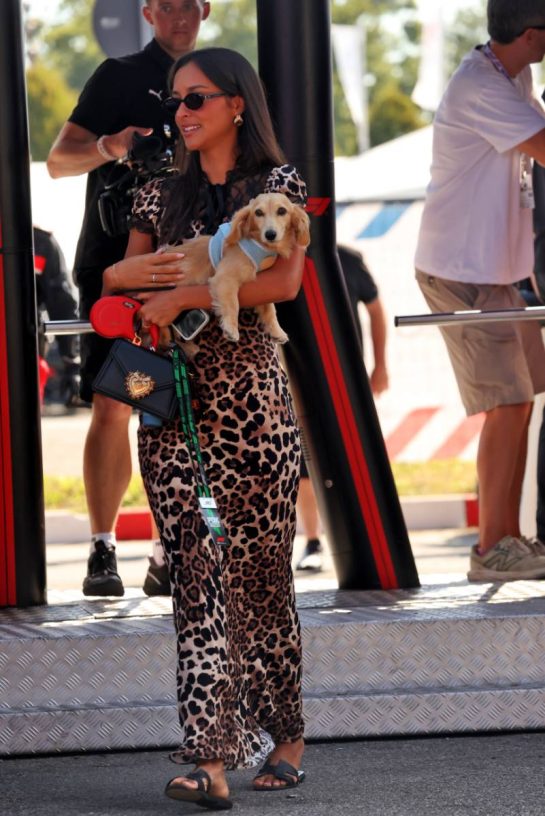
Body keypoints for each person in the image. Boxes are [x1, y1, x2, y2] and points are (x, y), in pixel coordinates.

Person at [101, 47, 307, 806]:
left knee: (260, 579)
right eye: (176, 101)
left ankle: (285, 734)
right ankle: (208, 758)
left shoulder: (278, 188)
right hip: (170, 406)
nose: (181, 113)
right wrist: (171, 283)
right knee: (196, 574)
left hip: (254, 410)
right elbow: (118, 280)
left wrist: (183, 290)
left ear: (235, 105)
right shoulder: (156, 193)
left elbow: (282, 278)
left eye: (196, 99)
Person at [46, 0, 211, 597]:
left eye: (187, 4)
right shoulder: (118, 75)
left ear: (206, 9)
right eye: (165, 5)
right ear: (146, 13)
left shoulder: (216, 78)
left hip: (191, 268)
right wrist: (114, 146)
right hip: (119, 268)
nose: (178, 16)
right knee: (118, 401)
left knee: (180, 407)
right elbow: (59, 161)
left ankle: (170, 548)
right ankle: (102, 548)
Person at [415, 0, 545, 582]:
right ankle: (492, 548)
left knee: (522, 400)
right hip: (461, 270)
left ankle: (509, 539)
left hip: (495, 269)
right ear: (530, 33)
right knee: (507, 403)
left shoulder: (513, 70)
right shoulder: (479, 86)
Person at [296, 244, 388, 571]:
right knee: (304, 461)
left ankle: (367, 534)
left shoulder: (348, 258)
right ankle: (312, 541)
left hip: (348, 378)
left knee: (358, 453)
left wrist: (380, 366)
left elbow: (376, 310)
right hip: (299, 377)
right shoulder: (278, 258)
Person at [34, 226, 81, 408]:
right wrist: (72, 364)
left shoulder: (40, 243)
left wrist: (72, 363)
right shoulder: (39, 241)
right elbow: (63, 306)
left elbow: (62, 306)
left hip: (24, 356)